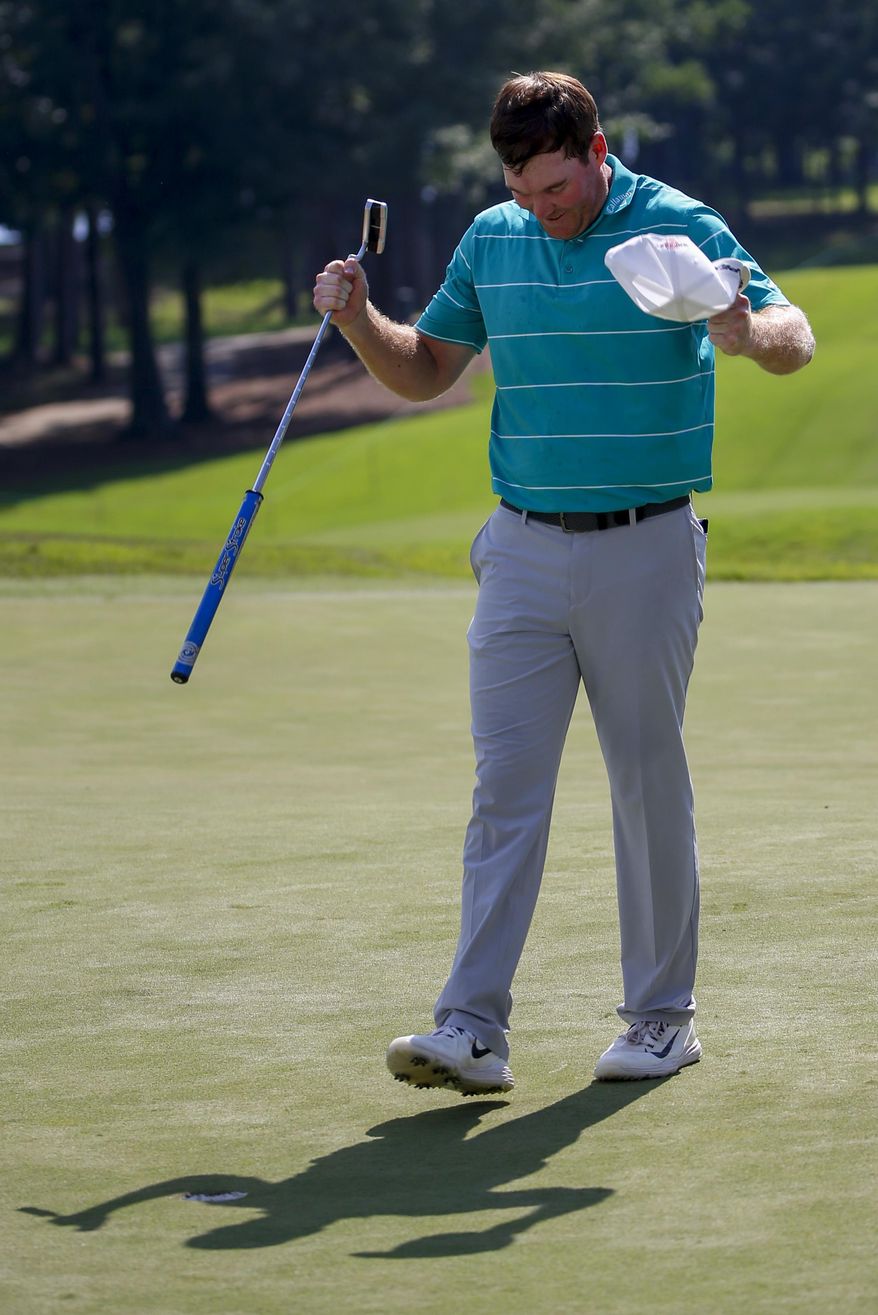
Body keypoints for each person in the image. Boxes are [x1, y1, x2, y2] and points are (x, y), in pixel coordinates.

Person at [313, 71, 814, 1094]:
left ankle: (661, 1019)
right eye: (519, 187)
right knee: (503, 788)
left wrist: (739, 328)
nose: (538, 211)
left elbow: (790, 337)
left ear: (593, 154)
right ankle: (470, 1027)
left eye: (553, 189)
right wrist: (360, 319)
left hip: (644, 544)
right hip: (520, 549)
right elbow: (422, 371)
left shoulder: (672, 225)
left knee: (641, 778)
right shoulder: (493, 238)